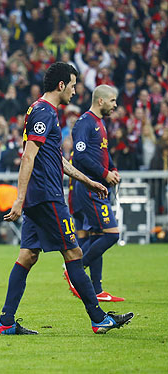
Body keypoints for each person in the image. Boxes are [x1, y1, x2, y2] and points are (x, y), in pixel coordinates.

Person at [0, 62, 133, 335]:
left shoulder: (42, 111)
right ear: (61, 85)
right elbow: (28, 156)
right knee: (74, 252)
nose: (74, 90)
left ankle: (6, 322)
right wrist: (19, 199)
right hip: (47, 197)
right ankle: (98, 318)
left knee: (27, 256)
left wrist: (89, 181)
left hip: (40, 197)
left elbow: (56, 159)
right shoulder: (44, 112)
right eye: (72, 85)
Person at [66, 85, 124, 302]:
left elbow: (103, 153)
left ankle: (97, 290)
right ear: (100, 101)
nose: (115, 105)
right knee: (111, 234)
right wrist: (104, 173)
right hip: (91, 188)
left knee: (98, 235)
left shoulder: (100, 123)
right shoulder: (85, 123)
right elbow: (79, 157)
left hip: (99, 186)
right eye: (112, 100)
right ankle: (75, 270)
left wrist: (113, 169)